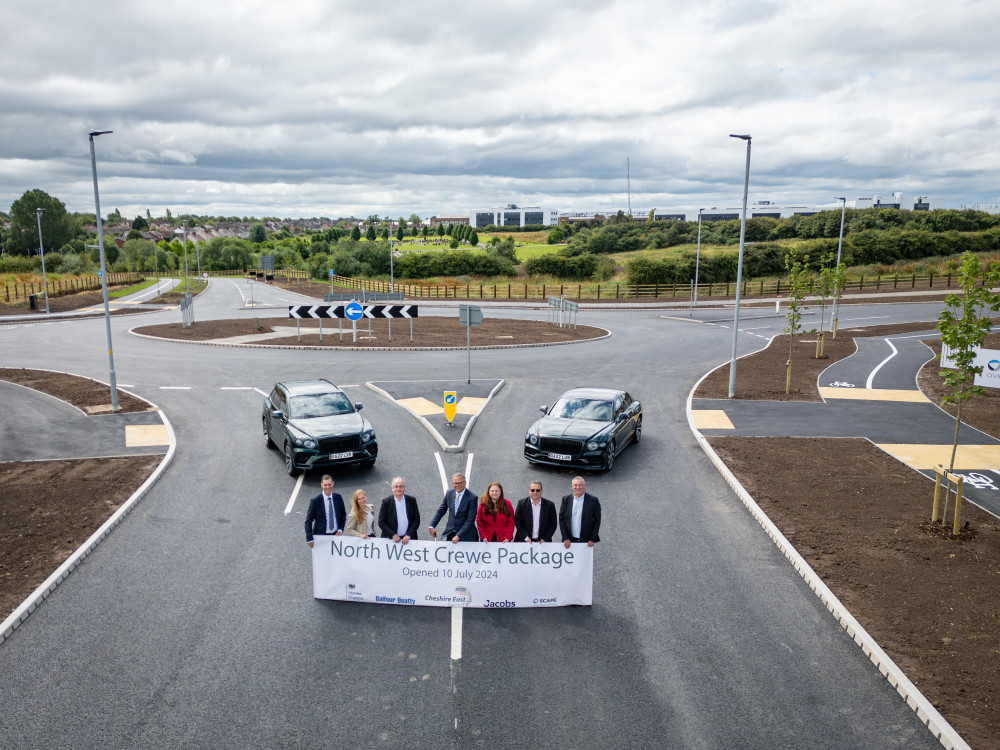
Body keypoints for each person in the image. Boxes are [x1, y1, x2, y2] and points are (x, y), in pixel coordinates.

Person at [429, 472, 479, 543]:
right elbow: (441, 511)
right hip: (451, 534)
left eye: (460, 483)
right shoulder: (449, 493)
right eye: (455, 483)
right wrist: (432, 526)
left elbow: (470, 520)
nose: (457, 485)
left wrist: (459, 535)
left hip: (467, 536)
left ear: (465, 483)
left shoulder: (472, 498)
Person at [305, 474, 346, 548]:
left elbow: (343, 514)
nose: (328, 487)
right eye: (325, 485)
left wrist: (340, 529)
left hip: (335, 536)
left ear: (333, 483)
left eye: (329, 484)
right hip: (321, 537)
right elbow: (308, 521)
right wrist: (309, 538)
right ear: (321, 485)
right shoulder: (315, 501)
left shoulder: (338, 498)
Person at [559, 476, 601, 548]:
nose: (578, 487)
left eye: (580, 485)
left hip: (586, 540)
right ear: (572, 486)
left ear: (584, 486)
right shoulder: (566, 499)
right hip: (570, 539)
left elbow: (597, 520)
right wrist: (565, 537)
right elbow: (561, 519)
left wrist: (592, 539)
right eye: (575, 485)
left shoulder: (593, 500)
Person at [378, 476, 419, 544]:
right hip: (391, 540)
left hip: (409, 539)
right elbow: (381, 522)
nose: (398, 489)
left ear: (404, 488)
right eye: (396, 486)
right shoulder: (386, 502)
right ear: (392, 488)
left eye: (401, 486)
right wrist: (393, 535)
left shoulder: (411, 500)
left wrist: (409, 535)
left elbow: (416, 519)